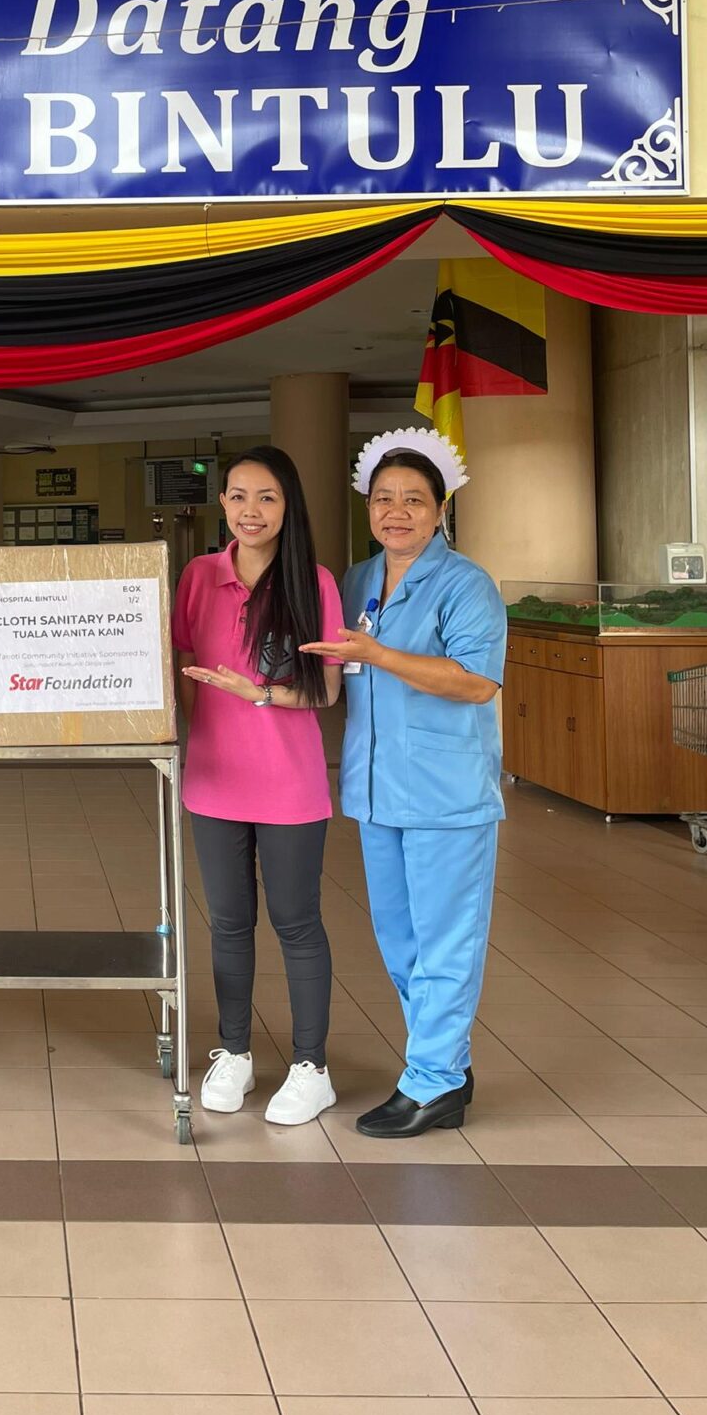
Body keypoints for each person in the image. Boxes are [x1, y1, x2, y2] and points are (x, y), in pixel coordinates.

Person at [301, 427, 505, 1138]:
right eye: (383, 498)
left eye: (414, 500)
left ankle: (432, 1082)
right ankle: (446, 1062)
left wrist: (381, 653)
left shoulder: (466, 585)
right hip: (376, 789)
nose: (397, 512)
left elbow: (476, 683)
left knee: (445, 941)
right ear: (368, 506)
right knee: (400, 942)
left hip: (447, 794)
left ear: (440, 509)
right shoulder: (357, 581)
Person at [173, 447, 346, 1126]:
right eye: (239, 496)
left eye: (267, 497)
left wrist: (260, 694)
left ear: (287, 506)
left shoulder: (313, 582)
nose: (251, 510)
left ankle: (311, 1068)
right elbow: (180, 662)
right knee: (228, 922)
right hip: (214, 780)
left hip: (289, 784)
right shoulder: (198, 576)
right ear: (222, 504)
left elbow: (327, 690)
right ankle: (235, 1053)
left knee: (296, 922)